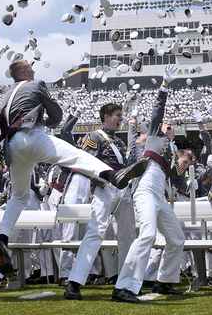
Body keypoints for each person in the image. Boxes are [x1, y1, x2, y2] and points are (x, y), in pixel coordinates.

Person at [0, 60, 144, 276]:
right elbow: (56, 116)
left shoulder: (7, 94)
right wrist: (48, 119)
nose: (34, 70)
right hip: (32, 136)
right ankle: (112, 174)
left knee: (18, 197)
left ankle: (2, 239)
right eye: (30, 67)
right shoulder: (36, 85)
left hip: (12, 146)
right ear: (23, 72)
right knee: (77, 156)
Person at [112, 65, 187, 303]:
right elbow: (157, 111)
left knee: (176, 239)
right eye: (166, 125)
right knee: (147, 235)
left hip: (160, 196)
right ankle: (123, 286)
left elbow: (176, 179)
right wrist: (164, 86)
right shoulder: (153, 135)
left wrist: (183, 175)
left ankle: (164, 282)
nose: (168, 126)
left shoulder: (171, 152)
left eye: (171, 127)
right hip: (144, 190)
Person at [65, 94, 145, 299]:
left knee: (127, 237)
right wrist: (101, 182)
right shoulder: (95, 136)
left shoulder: (118, 139)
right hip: (105, 189)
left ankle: (124, 285)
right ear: (106, 116)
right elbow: (83, 164)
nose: (121, 119)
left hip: (123, 190)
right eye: (118, 115)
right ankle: (74, 282)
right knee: (95, 233)